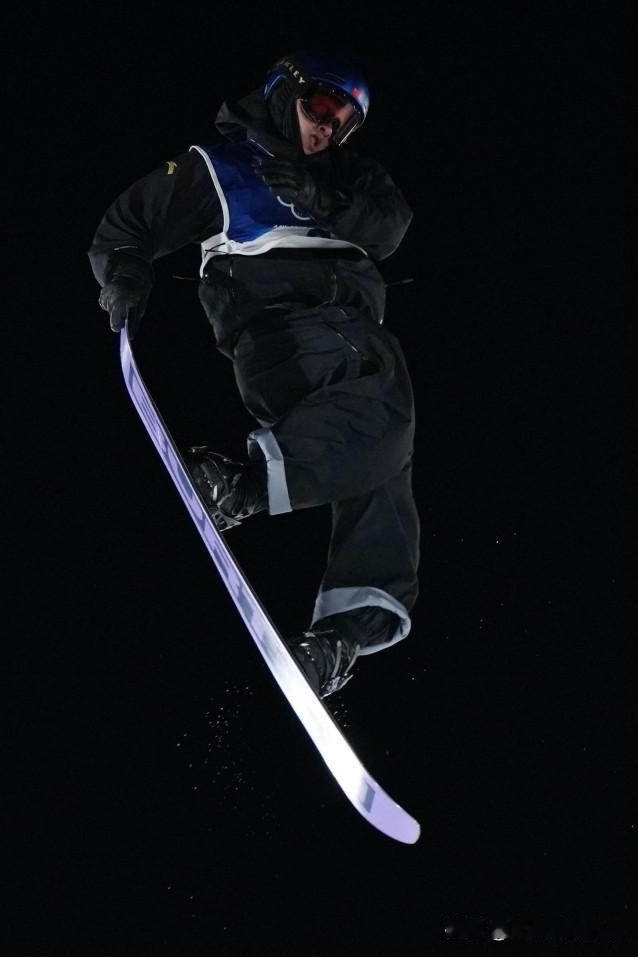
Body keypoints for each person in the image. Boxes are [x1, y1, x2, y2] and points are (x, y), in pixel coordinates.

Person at [89, 50, 420, 698]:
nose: (327, 129)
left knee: (382, 460)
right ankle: (239, 483)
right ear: (283, 92)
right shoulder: (224, 168)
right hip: (288, 334)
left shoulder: (349, 178)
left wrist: (324, 196)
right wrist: (125, 272)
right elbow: (129, 223)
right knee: (386, 407)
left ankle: (341, 636)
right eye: (321, 108)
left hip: (350, 344)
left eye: (344, 123)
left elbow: (391, 226)